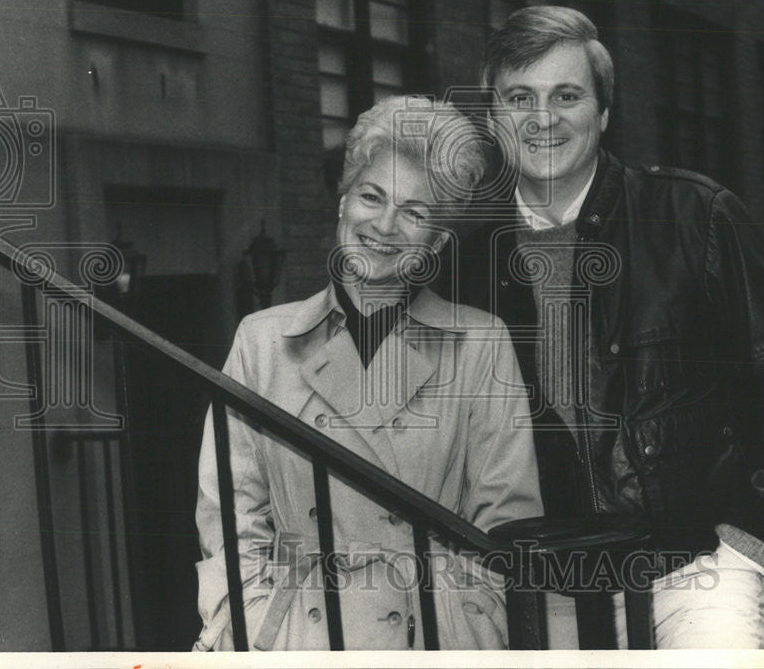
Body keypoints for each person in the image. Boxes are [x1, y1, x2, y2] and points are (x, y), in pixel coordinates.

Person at [439, 6, 764, 649]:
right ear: (494, 120)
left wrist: (748, 541)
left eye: (566, 95)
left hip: (693, 572)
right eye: (520, 97)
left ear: (603, 113)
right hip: (539, 585)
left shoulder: (694, 216)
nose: (542, 119)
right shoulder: (460, 262)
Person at [193, 95, 543, 651]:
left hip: (434, 633)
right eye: (371, 196)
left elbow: (507, 521)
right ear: (342, 203)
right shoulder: (262, 341)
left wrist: (479, 619)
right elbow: (232, 516)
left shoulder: (480, 342)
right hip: (301, 637)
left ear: (437, 240)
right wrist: (255, 621)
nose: (384, 225)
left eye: (414, 211)